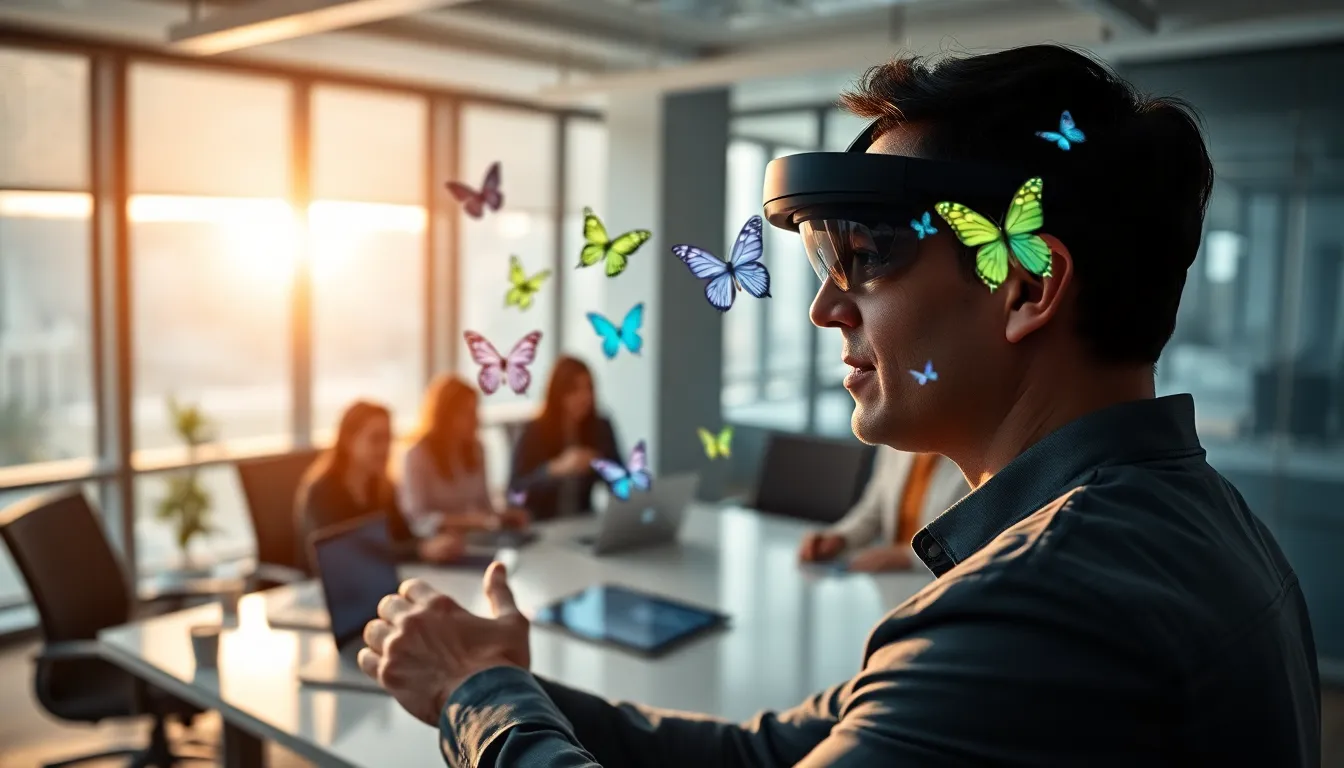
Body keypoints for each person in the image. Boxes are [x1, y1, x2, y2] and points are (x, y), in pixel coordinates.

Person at [356, 45, 1320, 766]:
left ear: (1025, 286)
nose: (824, 307)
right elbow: (765, 755)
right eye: (824, 261)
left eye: (867, 256)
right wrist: (510, 684)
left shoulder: (1040, 608)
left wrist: (476, 698)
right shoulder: (1209, 525)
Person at [294, 400, 464, 571]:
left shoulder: (382, 487)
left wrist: (434, 543)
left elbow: (403, 536)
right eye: (375, 439)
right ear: (348, 441)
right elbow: (344, 554)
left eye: (388, 438)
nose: (385, 448)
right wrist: (420, 550)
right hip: (326, 582)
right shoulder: (322, 491)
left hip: (375, 575)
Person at [799, 447, 967, 571]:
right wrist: (841, 538)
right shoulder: (894, 441)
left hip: (945, 583)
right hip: (892, 584)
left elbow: (974, 540)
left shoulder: (975, 454)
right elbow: (872, 512)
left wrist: (907, 558)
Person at [400, 375, 529, 536]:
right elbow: (417, 518)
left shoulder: (477, 449)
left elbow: (484, 507)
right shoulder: (416, 455)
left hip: (478, 537)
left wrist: (504, 516)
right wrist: (469, 521)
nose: (476, 420)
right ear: (445, 416)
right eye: (467, 413)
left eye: (475, 411)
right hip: (438, 542)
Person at [506, 356, 621, 521]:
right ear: (559, 393)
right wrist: (554, 469)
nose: (584, 397)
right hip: (543, 524)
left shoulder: (600, 427)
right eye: (575, 389)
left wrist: (600, 464)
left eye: (588, 388)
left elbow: (620, 482)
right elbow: (514, 493)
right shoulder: (534, 431)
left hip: (583, 521)